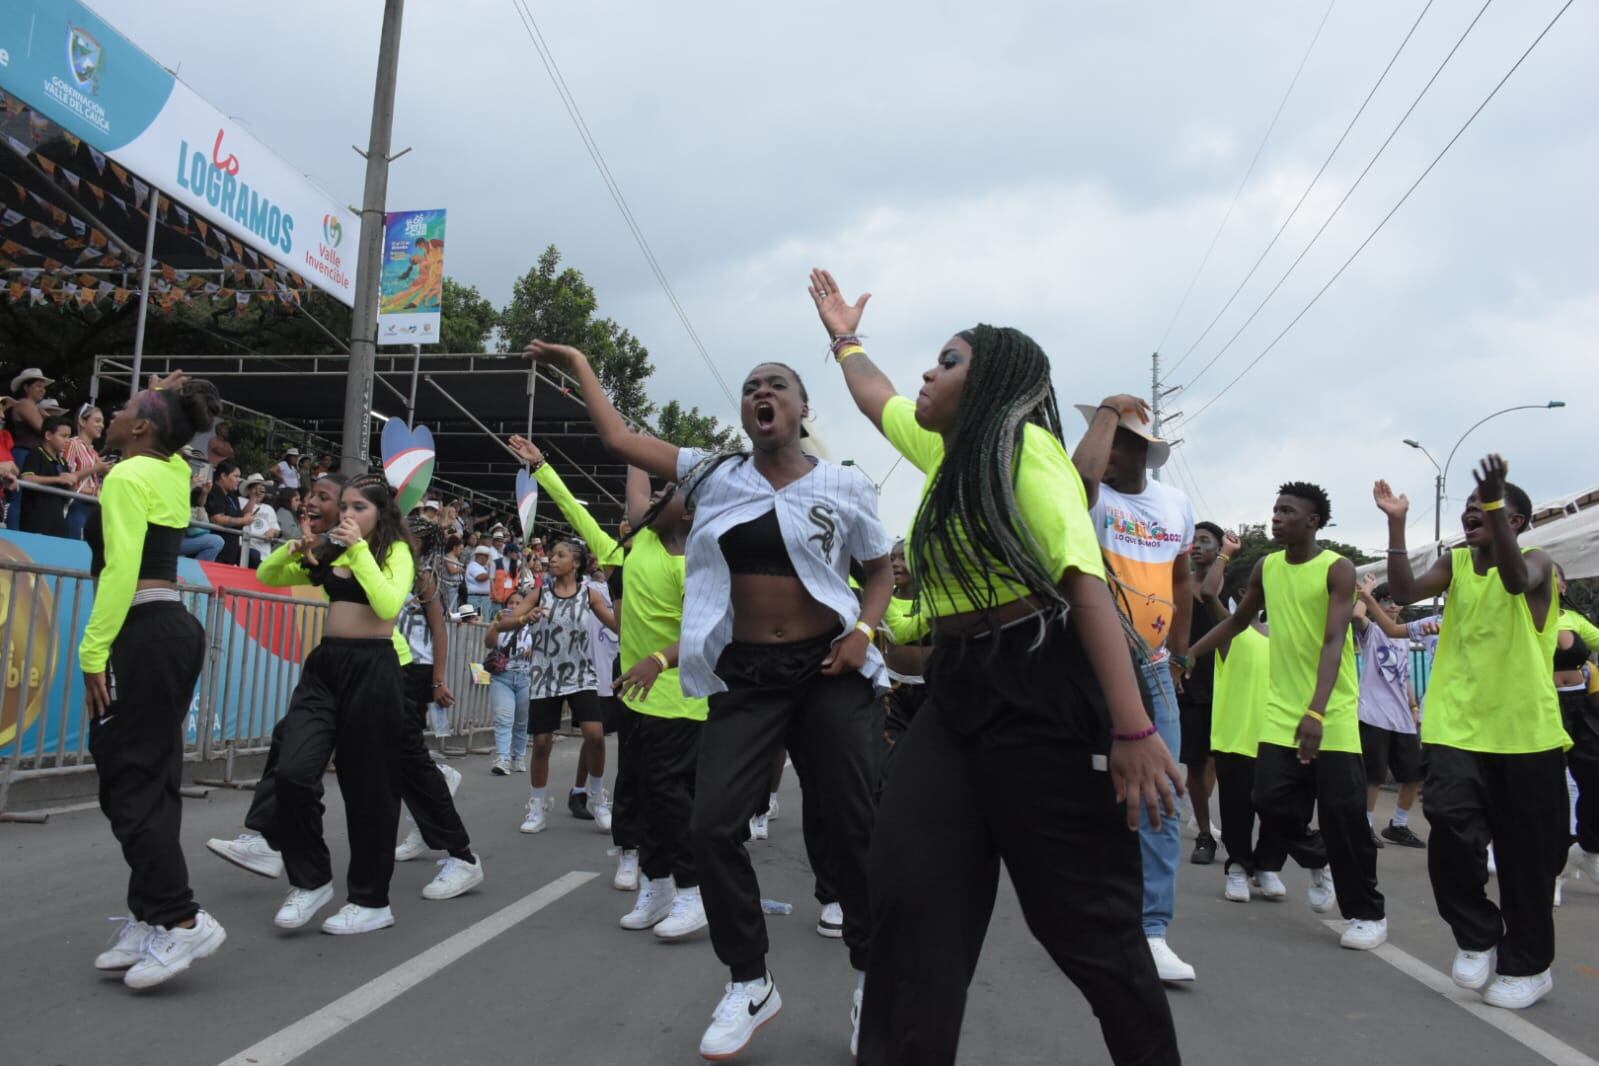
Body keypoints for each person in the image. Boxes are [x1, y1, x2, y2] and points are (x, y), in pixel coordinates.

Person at [806, 270, 1181, 1065]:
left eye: (946, 361)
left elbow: (1082, 583)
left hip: (1043, 684)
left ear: (994, 384)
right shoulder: (946, 451)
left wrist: (1134, 728)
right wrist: (844, 337)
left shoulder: (1024, 450)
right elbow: (875, 398)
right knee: (908, 898)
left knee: (1084, 926)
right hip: (957, 689)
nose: (926, 375)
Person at [528, 331, 894, 1062]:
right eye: (752, 386)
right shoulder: (713, 475)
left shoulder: (844, 486)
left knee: (853, 828)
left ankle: (872, 981)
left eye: (777, 385)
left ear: (801, 407)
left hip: (827, 671)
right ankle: (749, 980)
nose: (762, 393)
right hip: (746, 676)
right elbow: (619, 437)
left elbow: (878, 570)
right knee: (710, 825)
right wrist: (578, 365)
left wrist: (862, 629)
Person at [1376, 458, 1570, 1009]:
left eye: (1487, 510)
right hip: (1458, 729)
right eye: (1470, 509)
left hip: (1526, 735)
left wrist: (1493, 505)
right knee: (1452, 833)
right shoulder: (1456, 563)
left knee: (1525, 860)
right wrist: (1396, 522)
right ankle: (1478, 933)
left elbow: (1514, 580)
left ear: (1519, 522)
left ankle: (1529, 967)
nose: (1472, 516)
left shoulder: (1535, 563)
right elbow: (1404, 588)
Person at [511, 434, 708, 933]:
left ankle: (692, 891)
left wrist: (660, 659)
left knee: (671, 800)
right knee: (638, 794)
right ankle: (657, 886)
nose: (657, 497)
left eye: (671, 493)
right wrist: (544, 468)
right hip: (638, 702)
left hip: (682, 705)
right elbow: (589, 511)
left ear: (688, 514)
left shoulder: (696, 566)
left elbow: (706, 633)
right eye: (657, 493)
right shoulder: (636, 545)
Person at [78, 371, 227, 990]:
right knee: (149, 778)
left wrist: (93, 652)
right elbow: (163, 434)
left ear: (140, 428)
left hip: (141, 631)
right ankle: (150, 914)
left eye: (126, 407)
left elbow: (118, 571)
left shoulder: (129, 476)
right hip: (170, 631)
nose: (112, 413)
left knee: (129, 783)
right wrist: (159, 398)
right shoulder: (164, 471)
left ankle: (183, 919)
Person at [1191, 482, 1386, 952]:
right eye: (1275, 509)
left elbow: (1333, 640)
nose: (1276, 517)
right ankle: (1319, 859)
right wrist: (1189, 654)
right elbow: (1238, 621)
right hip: (1279, 711)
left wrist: (1317, 711)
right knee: (1268, 799)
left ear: (1313, 521)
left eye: (1287, 511)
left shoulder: (1336, 568)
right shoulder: (1267, 566)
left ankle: (1366, 914)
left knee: (1344, 814)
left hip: (1331, 710)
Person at [254, 473, 416, 935]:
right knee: (293, 769)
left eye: (359, 507)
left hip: (374, 670)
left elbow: (387, 605)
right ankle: (310, 881)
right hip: (326, 667)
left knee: (369, 790)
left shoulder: (395, 553)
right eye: (344, 506)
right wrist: (293, 550)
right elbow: (266, 577)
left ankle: (371, 900)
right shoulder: (331, 551)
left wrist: (357, 550)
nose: (347, 514)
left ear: (380, 515)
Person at [1071, 393, 1198, 983]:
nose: (1107, 451)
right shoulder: (1090, 500)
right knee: (1085, 792)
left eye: (1118, 440)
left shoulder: (1175, 505)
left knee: (1160, 793)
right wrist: (1103, 414)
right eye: (1105, 439)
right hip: (1086, 666)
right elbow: (1080, 475)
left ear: (1141, 452)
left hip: (1152, 668)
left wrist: (1177, 654)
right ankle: (1088, 913)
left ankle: (1151, 929)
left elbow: (1182, 578)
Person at [391, 514, 484, 899]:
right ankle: (436, 781)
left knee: (404, 754)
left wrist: (439, 678)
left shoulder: (423, 578)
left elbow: (440, 629)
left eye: (408, 535)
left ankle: (436, 795)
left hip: (417, 668)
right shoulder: (389, 568)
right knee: (398, 757)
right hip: (389, 664)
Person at [513, 534, 618, 834]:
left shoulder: (590, 593)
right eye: (551, 555)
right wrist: (524, 618)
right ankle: (537, 805)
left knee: (595, 735)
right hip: (545, 674)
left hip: (581, 674)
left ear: (576, 562)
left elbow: (616, 624)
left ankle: (597, 797)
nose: (552, 559)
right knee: (543, 743)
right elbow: (505, 622)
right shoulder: (540, 592)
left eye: (559, 555)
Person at [1201, 551, 1281, 904]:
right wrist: (1224, 554)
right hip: (1236, 739)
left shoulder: (1285, 637)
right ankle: (1237, 868)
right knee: (1237, 810)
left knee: (1280, 810)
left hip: (1278, 739)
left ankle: (1266, 867)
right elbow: (1206, 593)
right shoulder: (1232, 631)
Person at [1352, 574, 1426, 849]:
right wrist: (1367, 593)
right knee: (1374, 775)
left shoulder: (1404, 635)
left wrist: (1414, 706)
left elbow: (1404, 675)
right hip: (1374, 714)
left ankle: (1399, 824)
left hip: (1402, 718)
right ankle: (1365, 825)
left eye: (1396, 602)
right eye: (1385, 601)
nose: (1392, 606)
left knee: (1412, 775)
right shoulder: (1372, 631)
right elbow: (1358, 616)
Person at [1181, 520, 1227, 863]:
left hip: (1229, 680)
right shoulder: (1179, 585)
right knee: (1197, 761)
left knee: (1219, 759)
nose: (1196, 546)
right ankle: (1203, 831)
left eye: (1204, 540)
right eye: (1192, 540)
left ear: (1220, 548)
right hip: (1192, 681)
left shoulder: (1237, 586)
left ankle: (1207, 820)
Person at [1553, 567, 1599, 890]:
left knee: (1593, 780)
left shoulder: (1574, 619)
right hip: (1545, 704)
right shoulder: (1526, 617)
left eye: (1552, 576)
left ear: (1563, 584)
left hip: (1580, 704)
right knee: (1552, 786)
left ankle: (1586, 849)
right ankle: (1553, 867)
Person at [486, 589, 536, 776]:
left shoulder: (533, 625)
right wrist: (495, 624)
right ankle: (503, 758)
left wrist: (534, 650)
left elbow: (543, 648)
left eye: (518, 603)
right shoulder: (500, 621)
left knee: (522, 722)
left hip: (525, 677)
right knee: (504, 719)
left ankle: (518, 757)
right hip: (502, 677)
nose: (514, 606)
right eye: (511, 603)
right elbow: (489, 643)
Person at [20, 415, 96, 538]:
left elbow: (67, 492)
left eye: (69, 436)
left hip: (58, 523)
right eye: (63, 436)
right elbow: (26, 478)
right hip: (36, 523)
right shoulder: (36, 454)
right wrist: (58, 479)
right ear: (48, 435)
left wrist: (72, 482)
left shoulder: (62, 461)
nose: (67, 440)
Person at [6, 367, 50, 529]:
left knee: (27, 496)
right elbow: (43, 429)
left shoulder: (36, 408)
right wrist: (49, 421)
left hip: (30, 454)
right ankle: (15, 532)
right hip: (23, 453)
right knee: (19, 494)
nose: (42, 390)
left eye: (43, 386)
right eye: (38, 385)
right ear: (26, 387)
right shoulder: (25, 404)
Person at [65, 403, 112, 540]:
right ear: (82, 421)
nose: (102, 425)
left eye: (102, 422)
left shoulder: (93, 452)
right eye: (97, 421)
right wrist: (96, 469)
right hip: (77, 503)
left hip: (92, 504)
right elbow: (67, 475)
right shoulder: (72, 443)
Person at [205, 461, 254, 565]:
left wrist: (253, 497)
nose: (238, 480)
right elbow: (217, 519)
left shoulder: (232, 495)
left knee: (254, 556)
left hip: (231, 550)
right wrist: (243, 520)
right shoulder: (214, 491)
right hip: (218, 551)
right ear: (223, 476)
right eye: (235, 476)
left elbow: (241, 514)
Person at [239, 475, 280, 568]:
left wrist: (273, 532)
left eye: (262, 488)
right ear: (249, 490)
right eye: (256, 487)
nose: (260, 491)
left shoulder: (269, 508)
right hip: (245, 548)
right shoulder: (241, 501)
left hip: (264, 554)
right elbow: (243, 515)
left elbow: (277, 530)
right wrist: (253, 497)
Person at [181, 484, 226, 562]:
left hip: (179, 540)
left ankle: (196, 569)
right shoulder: (183, 504)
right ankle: (196, 570)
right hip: (168, 540)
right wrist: (191, 487)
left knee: (216, 541)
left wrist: (204, 493)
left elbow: (201, 504)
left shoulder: (199, 508)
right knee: (216, 541)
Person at [465, 544, 494, 617]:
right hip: (476, 598)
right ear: (480, 556)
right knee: (477, 621)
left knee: (485, 621)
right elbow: (480, 578)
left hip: (484, 598)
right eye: (486, 556)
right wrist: (492, 571)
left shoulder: (483, 567)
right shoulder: (473, 565)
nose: (487, 559)